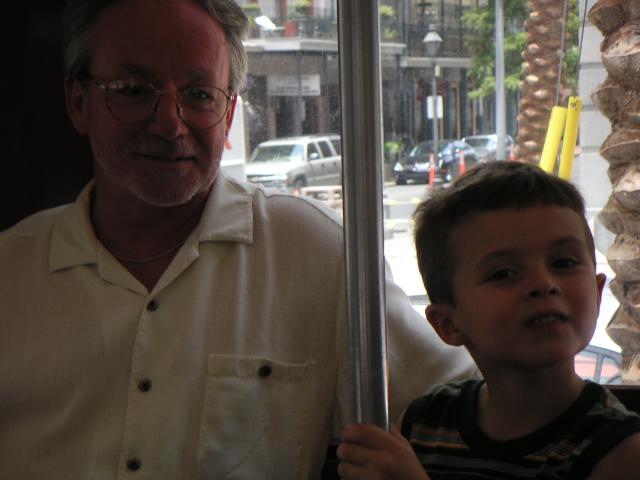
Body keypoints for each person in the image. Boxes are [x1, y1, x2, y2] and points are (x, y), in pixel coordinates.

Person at [0, 0, 477, 477]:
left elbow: (471, 405)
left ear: (229, 113)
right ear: (78, 102)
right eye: (133, 90)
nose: (169, 122)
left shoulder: (313, 253)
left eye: (199, 94)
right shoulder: (11, 272)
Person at [337, 161, 640, 479]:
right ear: (448, 324)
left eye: (563, 262)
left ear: (597, 292)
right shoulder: (425, 422)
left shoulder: (619, 450)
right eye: (504, 273)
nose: (543, 283)